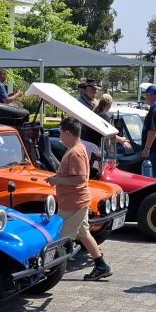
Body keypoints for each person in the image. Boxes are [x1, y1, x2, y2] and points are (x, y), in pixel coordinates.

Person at [47, 118, 112, 280]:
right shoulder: (79, 148)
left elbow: (80, 179)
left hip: (73, 203)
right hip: (77, 201)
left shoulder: (75, 152)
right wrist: (59, 177)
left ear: (68, 133)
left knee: (60, 237)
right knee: (83, 233)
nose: (60, 137)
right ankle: (101, 265)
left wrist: (57, 180)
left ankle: (50, 273)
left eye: (61, 133)